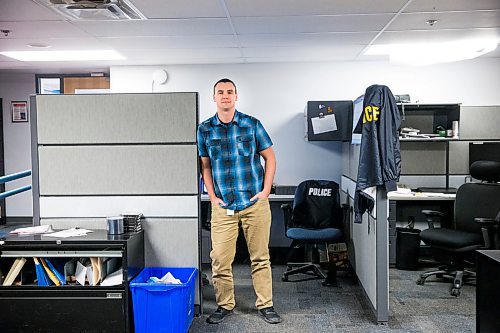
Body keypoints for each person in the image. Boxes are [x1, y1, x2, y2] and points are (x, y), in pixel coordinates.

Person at [197, 78, 281, 325]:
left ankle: (265, 304)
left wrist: (265, 191)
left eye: (229, 92)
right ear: (214, 97)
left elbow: (270, 158)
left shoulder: (251, 124)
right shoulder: (204, 130)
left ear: (236, 96)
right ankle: (225, 305)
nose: (225, 95)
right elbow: (205, 167)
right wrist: (212, 197)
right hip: (223, 207)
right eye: (220, 92)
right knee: (220, 259)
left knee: (260, 257)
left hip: (255, 204)